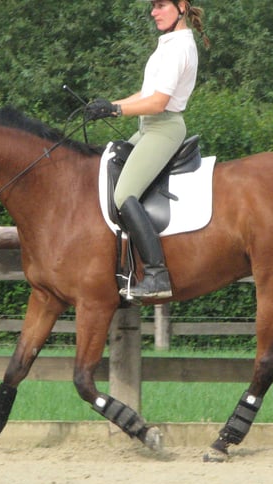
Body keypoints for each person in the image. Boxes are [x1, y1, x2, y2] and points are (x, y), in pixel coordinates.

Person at [84, 0, 208, 299]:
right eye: (152, 6)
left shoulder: (180, 47)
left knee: (124, 193)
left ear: (182, 6)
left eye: (160, 5)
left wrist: (116, 111)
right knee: (109, 163)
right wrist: (109, 105)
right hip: (147, 128)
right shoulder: (166, 44)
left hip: (163, 128)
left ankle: (157, 275)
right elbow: (145, 94)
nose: (154, 12)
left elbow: (158, 103)